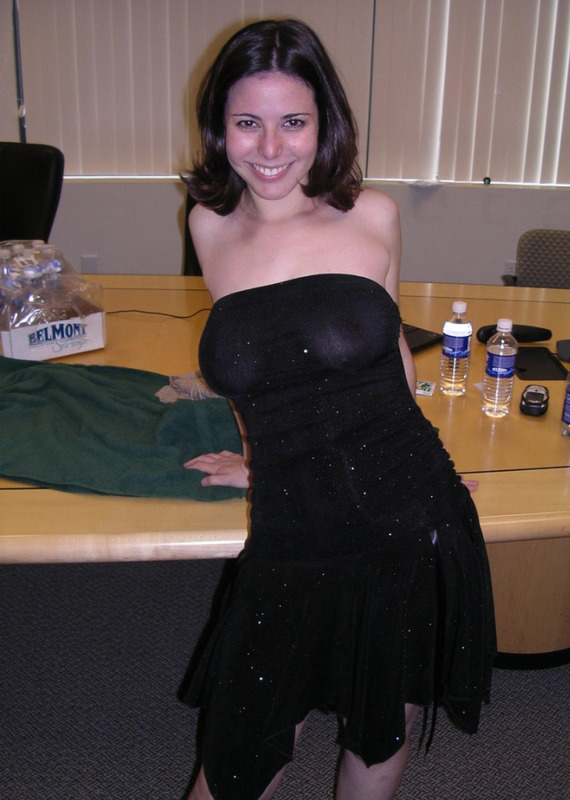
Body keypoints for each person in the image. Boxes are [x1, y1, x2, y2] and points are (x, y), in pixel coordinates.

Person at [181, 18, 495, 800]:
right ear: (219, 126)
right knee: (241, 756)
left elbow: (390, 356)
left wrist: (435, 469)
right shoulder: (207, 225)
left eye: (293, 121)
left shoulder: (372, 216)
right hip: (290, 532)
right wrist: (256, 462)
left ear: (325, 123)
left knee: (377, 733)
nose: (270, 147)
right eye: (247, 122)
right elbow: (264, 368)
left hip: (403, 517)